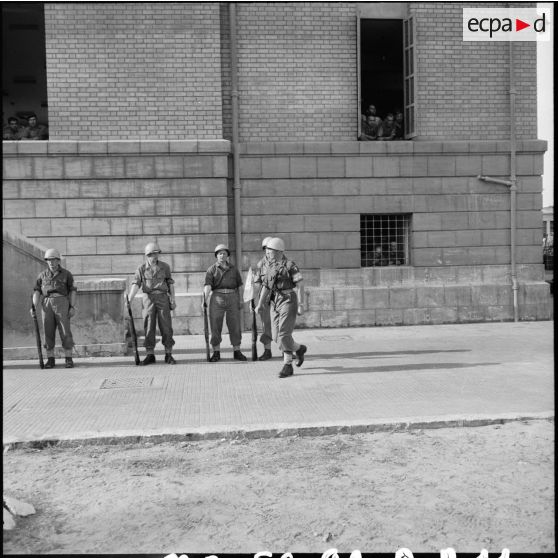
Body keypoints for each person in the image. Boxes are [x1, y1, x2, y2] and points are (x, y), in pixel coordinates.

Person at [254, 237, 307, 378]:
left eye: (270, 250)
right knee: (276, 336)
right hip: (274, 301)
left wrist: (301, 305)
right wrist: (260, 304)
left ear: (278, 251)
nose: (267, 252)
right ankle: (299, 349)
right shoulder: (270, 266)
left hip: (288, 299)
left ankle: (288, 365)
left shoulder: (290, 265)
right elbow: (266, 286)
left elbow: (300, 285)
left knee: (284, 334)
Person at [127, 242, 176, 365]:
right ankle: (150, 354)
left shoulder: (165, 267)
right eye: (152, 254)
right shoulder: (141, 268)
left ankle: (168, 354)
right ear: (147, 255)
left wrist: (173, 299)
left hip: (163, 297)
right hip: (148, 298)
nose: (155, 256)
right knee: (148, 326)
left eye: (156, 254)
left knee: (166, 326)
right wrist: (129, 299)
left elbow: (170, 284)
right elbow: (136, 284)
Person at [30, 248, 77, 369]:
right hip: (46, 304)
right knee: (48, 331)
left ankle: (68, 358)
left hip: (62, 302)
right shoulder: (42, 275)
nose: (51, 262)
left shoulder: (66, 274)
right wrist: (34, 306)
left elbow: (72, 291)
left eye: (53, 260)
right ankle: (50, 359)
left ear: (58, 260)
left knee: (65, 331)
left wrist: (72, 306)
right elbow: (37, 291)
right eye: (49, 260)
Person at [203, 244, 247, 362]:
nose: (222, 255)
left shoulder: (233, 269)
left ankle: (237, 351)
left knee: (235, 325)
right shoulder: (211, 269)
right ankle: (216, 352)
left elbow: (239, 286)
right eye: (219, 253)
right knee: (215, 325)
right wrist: (204, 299)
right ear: (216, 256)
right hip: (217, 297)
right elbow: (208, 285)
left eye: (224, 253)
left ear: (228, 255)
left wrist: (241, 300)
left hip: (232, 297)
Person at [254, 236, 274, 360]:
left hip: (279, 298)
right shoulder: (260, 264)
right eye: (266, 248)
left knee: (282, 325)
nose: (268, 250)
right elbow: (257, 283)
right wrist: (254, 300)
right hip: (265, 298)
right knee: (266, 325)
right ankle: (267, 350)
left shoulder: (283, 262)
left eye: (270, 248)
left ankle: (286, 349)